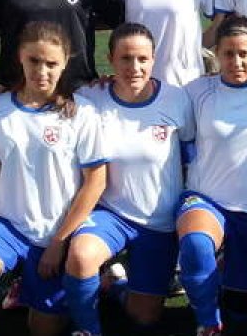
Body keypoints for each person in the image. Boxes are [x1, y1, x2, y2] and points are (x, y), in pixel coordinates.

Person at [0, 22, 108, 336]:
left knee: (43, 329)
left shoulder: (82, 113)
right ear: (20, 56)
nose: (42, 70)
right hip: (8, 227)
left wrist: (59, 243)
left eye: (51, 63)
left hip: (56, 232)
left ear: (65, 63)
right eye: (34, 60)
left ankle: (95, 284)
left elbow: (95, 182)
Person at [61, 23, 191, 334]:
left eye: (143, 59)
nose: (134, 67)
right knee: (81, 257)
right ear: (111, 59)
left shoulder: (176, 100)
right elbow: (44, 101)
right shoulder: (89, 99)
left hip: (158, 222)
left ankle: (115, 283)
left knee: (144, 317)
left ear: (153, 59)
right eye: (125, 58)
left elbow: (192, 160)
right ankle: (88, 329)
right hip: (111, 214)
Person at [176, 14, 247, 335]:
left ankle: (233, 271)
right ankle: (208, 323)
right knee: (197, 245)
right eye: (228, 54)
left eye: (244, 54)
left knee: (242, 311)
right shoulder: (196, 91)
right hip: (207, 199)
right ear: (217, 54)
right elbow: (171, 126)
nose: (236, 61)